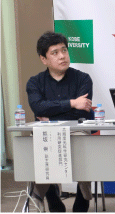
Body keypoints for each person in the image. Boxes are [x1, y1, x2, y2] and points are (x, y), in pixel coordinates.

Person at [26, 31, 93, 212]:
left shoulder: (83, 79)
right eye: (55, 53)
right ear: (44, 59)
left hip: (77, 130)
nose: (62, 56)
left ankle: (83, 193)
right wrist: (72, 103)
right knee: (42, 139)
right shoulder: (35, 83)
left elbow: (82, 113)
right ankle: (50, 194)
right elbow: (38, 108)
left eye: (64, 50)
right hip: (47, 133)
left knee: (82, 139)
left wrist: (52, 114)